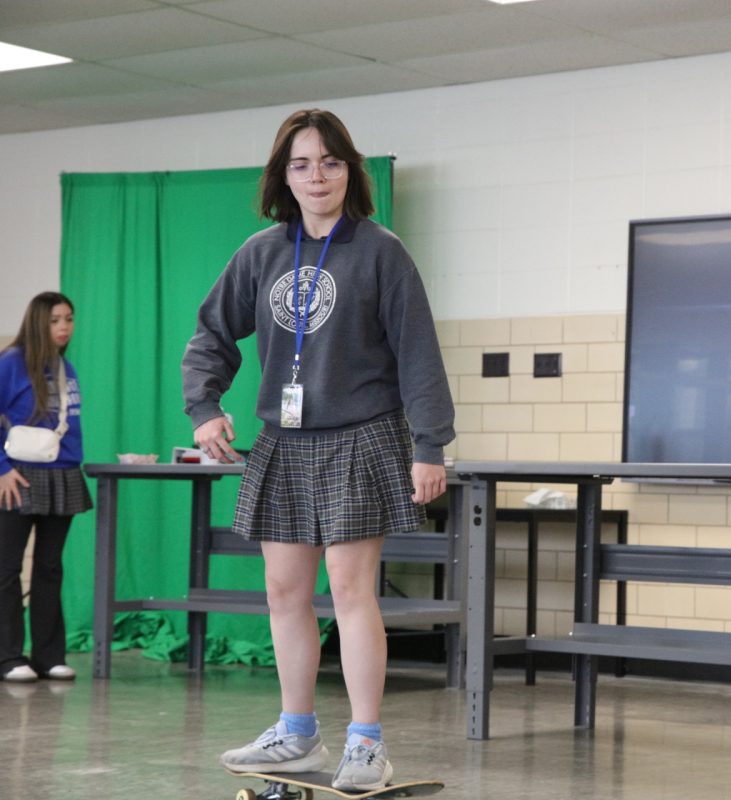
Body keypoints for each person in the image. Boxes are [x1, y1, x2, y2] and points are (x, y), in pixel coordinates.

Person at [182, 109, 455, 792]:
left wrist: (430, 445)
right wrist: (205, 408)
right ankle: (297, 731)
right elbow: (212, 333)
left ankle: (366, 743)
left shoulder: (381, 251)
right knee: (283, 591)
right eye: (302, 164)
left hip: (362, 433)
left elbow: (418, 351)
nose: (317, 176)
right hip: (284, 438)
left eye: (330, 162)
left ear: (349, 171)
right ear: (284, 176)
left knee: (351, 589)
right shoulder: (261, 253)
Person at [0, 292, 91, 683]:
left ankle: (48, 656)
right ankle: (7, 657)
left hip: (63, 475)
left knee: (50, 568)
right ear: (39, 322)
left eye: (69, 319)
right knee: (7, 568)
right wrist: (2, 468)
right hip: (18, 475)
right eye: (55, 320)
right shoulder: (11, 363)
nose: (64, 327)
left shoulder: (65, 367)